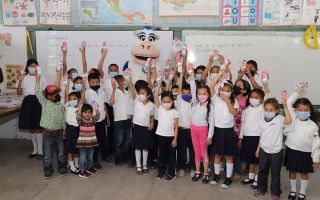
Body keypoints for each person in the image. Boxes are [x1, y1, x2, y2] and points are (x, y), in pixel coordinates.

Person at [284, 87, 320, 200]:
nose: (303, 112)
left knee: (304, 173)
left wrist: (316, 158)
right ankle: (293, 191)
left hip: (306, 153)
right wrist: (297, 91)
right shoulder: (293, 118)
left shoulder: (313, 125)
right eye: (300, 110)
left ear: (310, 111)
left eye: (306, 110)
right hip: (292, 150)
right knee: (292, 171)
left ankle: (302, 193)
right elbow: (289, 102)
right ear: (295, 110)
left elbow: (316, 143)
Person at [254, 98, 292, 200]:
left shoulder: (279, 119)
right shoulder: (261, 120)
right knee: (262, 171)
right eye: (266, 109)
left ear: (276, 110)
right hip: (263, 150)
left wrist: (285, 106)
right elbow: (261, 135)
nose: (268, 112)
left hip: (276, 151)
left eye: (271, 110)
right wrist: (258, 149)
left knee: (275, 173)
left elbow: (289, 120)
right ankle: (261, 188)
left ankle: (275, 192)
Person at [209, 69, 239, 189]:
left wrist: (227, 101)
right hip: (218, 130)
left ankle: (228, 178)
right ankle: (216, 175)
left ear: (231, 92)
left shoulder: (233, 101)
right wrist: (220, 74)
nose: (225, 93)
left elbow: (234, 113)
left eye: (228, 91)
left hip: (229, 132)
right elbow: (211, 86)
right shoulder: (216, 99)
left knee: (229, 156)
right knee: (217, 155)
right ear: (219, 90)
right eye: (223, 90)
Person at [35, 74, 67, 179]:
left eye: (57, 92)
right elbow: (37, 93)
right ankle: (48, 169)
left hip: (59, 133)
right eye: (54, 94)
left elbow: (63, 117)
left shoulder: (60, 105)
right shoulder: (44, 102)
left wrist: (64, 129)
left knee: (61, 153)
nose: (57, 95)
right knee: (47, 154)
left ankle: (62, 167)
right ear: (48, 96)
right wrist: (37, 80)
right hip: (47, 133)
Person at [17, 59, 47, 159]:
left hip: (38, 101)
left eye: (35, 66)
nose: (33, 68)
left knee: (38, 127)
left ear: (37, 67)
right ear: (27, 67)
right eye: (31, 65)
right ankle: (35, 150)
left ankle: (41, 151)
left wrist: (45, 105)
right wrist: (20, 80)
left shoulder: (41, 77)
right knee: (31, 127)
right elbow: (19, 93)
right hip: (27, 102)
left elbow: (44, 92)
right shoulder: (23, 77)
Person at [189, 70, 214, 184]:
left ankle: (206, 173)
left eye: (204, 94)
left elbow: (212, 122)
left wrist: (210, 136)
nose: (202, 96)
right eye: (200, 94)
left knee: (204, 153)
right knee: (196, 152)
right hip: (193, 129)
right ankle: (198, 172)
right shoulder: (194, 103)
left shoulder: (210, 106)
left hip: (203, 131)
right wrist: (192, 76)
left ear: (208, 95)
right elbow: (193, 87)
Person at [239, 89, 265, 189]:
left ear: (262, 99)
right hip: (247, 136)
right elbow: (243, 123)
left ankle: (257, 179)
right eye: (252, 97)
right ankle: (251, 177)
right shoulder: (247, 110)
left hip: (257, 137)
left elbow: (264, 125)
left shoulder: (262, 109)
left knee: (257, 159)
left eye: (256, 97)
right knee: (250, 159)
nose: (253, 99)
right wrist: (241, 138)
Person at [128, 78, 154, 174]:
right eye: (139, 93)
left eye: (143, 93)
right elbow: (131, 89)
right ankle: (138, 165)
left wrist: (152, 123)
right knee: (138, 147)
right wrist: (129, 82)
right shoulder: (136, 102)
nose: (140, 95)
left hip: (146, 128)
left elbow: (151, 116)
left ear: (148, 95)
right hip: (137, 127)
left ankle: (144, 164)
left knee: (145, 147)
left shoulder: (151, 105)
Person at [154, 83, 179, 182]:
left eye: (168, 101)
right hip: (161, 136)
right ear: (161, 102)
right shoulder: (160, 109)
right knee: (162, 155)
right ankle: (161, 171)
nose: (166, 103)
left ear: (172, 102)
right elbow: (156, 96)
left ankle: (172, 173)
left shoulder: (175, 112)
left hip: (171, 137)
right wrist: (159, 83)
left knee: (171, 156)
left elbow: (176, 126)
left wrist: (175, 139)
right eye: (164, 101)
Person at [85, 73, 110, 169]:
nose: (95, 83)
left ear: (99, 82)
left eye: (97, 82)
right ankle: (94, 160)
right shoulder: (87, 93)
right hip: (92, 121)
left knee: (103, 139)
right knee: (94, 142)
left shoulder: (102, 92)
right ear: (89, 82)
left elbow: (104, 105)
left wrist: (107, 117)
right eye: (93, 82)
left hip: (102, 119)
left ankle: (105, 156)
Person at [176, 71, 195, 177]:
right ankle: (181, 167)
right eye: (184, 93)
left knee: (193, 150)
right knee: (181, 150)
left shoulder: (194, 102)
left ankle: (193, 168)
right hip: (181, 129)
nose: (186, 95)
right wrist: (181, 74)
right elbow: (179, 87)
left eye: (188, 93)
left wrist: (191, 74)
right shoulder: (179, 100)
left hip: (192, 130)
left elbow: (193, 87)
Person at [109, 75, 131, 166]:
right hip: (119, 120)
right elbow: (111, 102)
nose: (124, 82)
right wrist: (114, 89)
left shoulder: (127, 92)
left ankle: (124, 157)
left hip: (127, 119)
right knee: (119, 140)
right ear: (118, 82)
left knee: (127, 140)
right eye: (123, 80)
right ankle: (118, 159)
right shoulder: (115, 92)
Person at [233, 79, 251, 181]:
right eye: (236, 84)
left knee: (239, 153)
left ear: (244, 90)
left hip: (243, 131)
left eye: (240, 85)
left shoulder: (248, 99)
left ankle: (237, 172)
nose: (236, 86)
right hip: (231, 129)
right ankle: (231, 170)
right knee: (232, 152)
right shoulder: (231, 98)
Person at [76, 102, 100, 178]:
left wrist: (96, 109)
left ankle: (89, 167)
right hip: (83, 142)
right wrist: (80, 108)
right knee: (83, 157)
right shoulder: (81, 120)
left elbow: (98, 116)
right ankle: (82, 171)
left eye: (89, 112)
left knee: (90, 156)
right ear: (82, 113)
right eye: (85, 112)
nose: (87, 114)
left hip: (92, 142)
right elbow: (78, 116)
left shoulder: (93, 119)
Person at [64, 91, 82, 175]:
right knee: (69, 149)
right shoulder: (67, 107)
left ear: (78, 99)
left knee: (76, 148)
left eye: (74, 99)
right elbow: (65, 97)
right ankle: (72, 166)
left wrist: (80, 104)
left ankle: (77, 164)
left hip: (77, 130)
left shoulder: (80, 108)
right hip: (69, 129)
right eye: (70, 99)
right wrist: (66, 87)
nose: (72, 101)